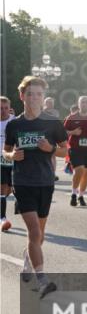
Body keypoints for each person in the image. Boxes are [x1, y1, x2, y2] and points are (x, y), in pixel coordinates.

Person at [3, 77, 69, 298]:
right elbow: (6, 151)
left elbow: (64, 150)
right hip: (23, 182)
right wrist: (12, 155)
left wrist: (50, 147)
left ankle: (28, 258)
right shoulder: (15, 124)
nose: (34, 98)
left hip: (45, 181)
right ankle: (42, 280)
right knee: (33, 231)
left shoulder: (52, 123)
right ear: (21, 96)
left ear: (43, 97)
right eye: (30, 94)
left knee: (40, 235)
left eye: (39, 94)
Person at [64, 96, 87, 207]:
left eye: (86, 102)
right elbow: (63, 132)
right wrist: (73, 132)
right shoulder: (72, 117)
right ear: (79, 104)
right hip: (75, 148)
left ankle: (81, 196)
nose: (84, 104)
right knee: (79, 170)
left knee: (86, 173)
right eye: (82, 102)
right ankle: (73, 194)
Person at [1, 96, 16, 232]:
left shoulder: (14, 121)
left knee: (9, 190)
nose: (3, 111)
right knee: (2, 187)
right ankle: (2, 218)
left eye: (6, 108)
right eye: (0, 108)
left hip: (12, 159)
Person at [41, 97, 60, 181]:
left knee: (53, 154)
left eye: (51, 103)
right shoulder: (41, 111)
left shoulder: (55, 112)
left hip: (52, 135)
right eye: (48, 102)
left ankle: (53, 173)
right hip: (43, 135)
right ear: (45, 103)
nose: (50, 104)